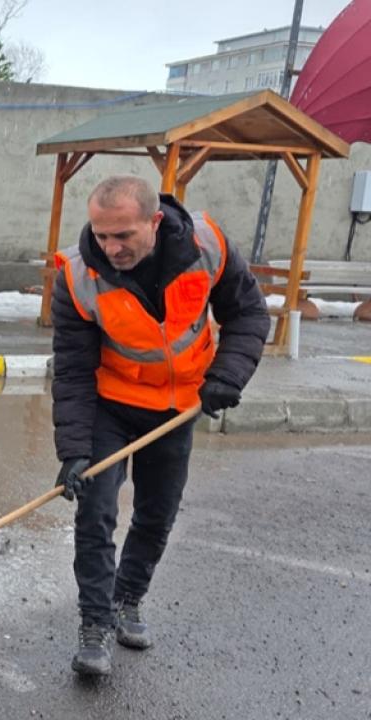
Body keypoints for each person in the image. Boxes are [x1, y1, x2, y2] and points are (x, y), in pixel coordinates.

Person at [51, 175, 269, 676]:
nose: (110, 247)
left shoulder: (205, 246)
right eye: (102, 234)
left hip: (177, 406)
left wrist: (227, 375)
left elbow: (249, 313)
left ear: (153, 221)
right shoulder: (79, 275)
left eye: (123, 235)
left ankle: (128, 597)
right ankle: (96, 623)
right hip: (109, 402)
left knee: (156, 512)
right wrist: (74, 450)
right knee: (96, 509)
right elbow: (73, 368)